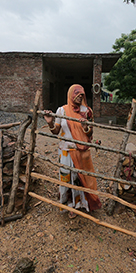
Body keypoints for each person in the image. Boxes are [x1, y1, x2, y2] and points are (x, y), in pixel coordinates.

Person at [44, 84, 102, 219]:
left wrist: (86, 127)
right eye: (76, 93)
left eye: (81, 94)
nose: (79, 96)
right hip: (65, 152)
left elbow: (90, 132)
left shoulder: (87, 111)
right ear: (70, 94)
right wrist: (50, 123)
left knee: (80, 179)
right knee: (66, 178)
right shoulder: (62, 110)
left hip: (81, 152)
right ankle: (69, 205)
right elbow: (56, 131)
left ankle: (83, 204)